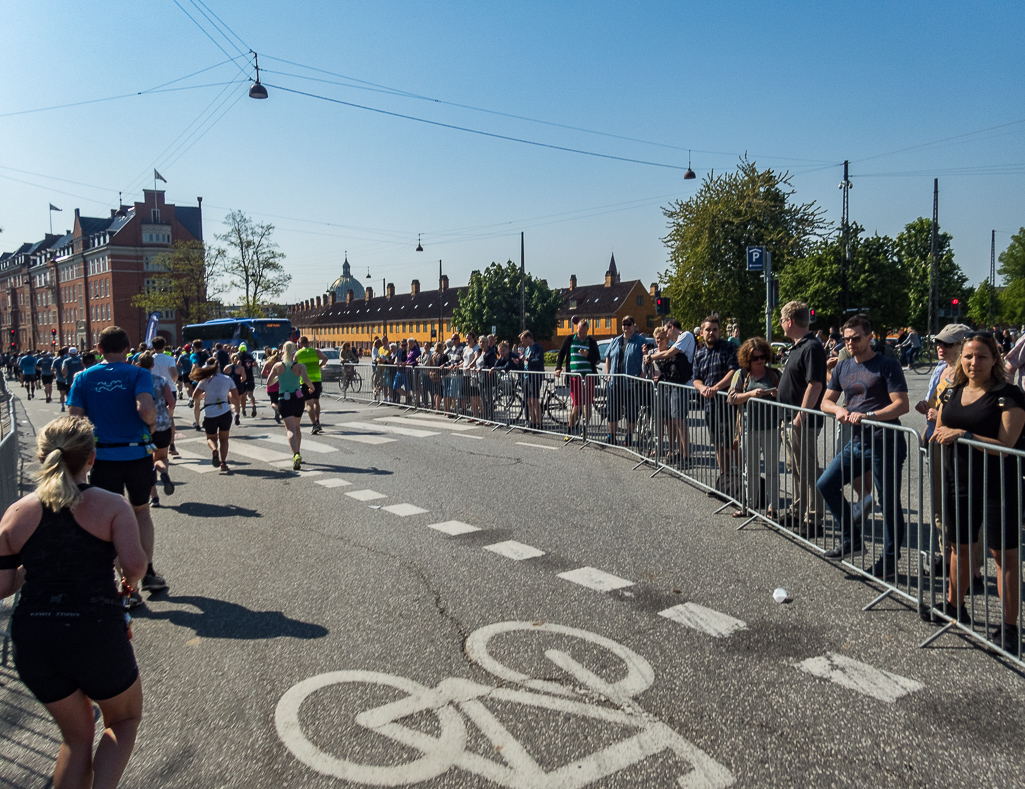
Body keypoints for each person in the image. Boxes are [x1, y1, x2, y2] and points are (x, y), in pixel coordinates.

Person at [0, 415, 147, 789]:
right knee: (123, 721)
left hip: (33, 637)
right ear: (92, 459)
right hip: (94, 630)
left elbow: (3, 585)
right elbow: (134, 566)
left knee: (76, 737)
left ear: (41, 457)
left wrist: (28, 573)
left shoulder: (16, 514)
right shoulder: (112, 506)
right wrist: (128, 578)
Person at [932, 331, 1024, 650]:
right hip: (959, 480)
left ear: (995, 359)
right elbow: (942, 426)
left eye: (982, 356)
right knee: (961, 547)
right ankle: (955, 607)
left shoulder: (1008, 395)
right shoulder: (954, 391)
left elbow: (1007, 446)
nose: (974, 362)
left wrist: (965, 434)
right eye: (969, 356)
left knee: (1004, 556)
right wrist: (944, 432)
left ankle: (1009, 627)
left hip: (999, 484)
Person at [67, 326, 164, 603]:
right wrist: (153, 424)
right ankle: (147, 573)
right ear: (128, 347)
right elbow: (145, 409)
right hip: (136, 454)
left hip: (101, 457)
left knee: (109, 520)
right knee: (141, 512)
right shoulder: (138, 373)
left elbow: (75, 419)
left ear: (99, 349)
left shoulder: (83, 377)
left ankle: (127, 587)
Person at [817, 314, 910, 580]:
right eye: (847, 339)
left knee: (889, 503)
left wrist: (871, 416)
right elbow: (826, 401)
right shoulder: (842, 367)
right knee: (826, 483)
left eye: (856, 338)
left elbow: (901, 405)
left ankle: (890, 561)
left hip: (885, 442)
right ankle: (852, 539)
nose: (851, 343)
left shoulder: (886, 365)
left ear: (869, 337)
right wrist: (838, 409)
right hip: (857, 441)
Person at [778, 301, 827, 537]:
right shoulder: (798, 346)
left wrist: (801, 414)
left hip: (801, 421)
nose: (780, 325)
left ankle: (814, 518)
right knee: (795, 468)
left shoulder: (812, 347)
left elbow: (815, 384)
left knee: (807, 469)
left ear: (790, 321)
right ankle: (798, 510)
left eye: (781, 320)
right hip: (789, 418)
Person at [727, 337, 780, 519]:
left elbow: (785, 399)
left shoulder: (774, 374)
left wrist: (776, 394)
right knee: (751, 468)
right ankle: (749, 505)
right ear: (747, 359)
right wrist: (750, 394)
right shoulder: (741, 374)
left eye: (762, 356)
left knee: (772, 469)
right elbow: (732, 398)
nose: (759, 361)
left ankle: (773, 507)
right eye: (755, 358)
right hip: (749, 428)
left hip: (771, 427)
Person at [692, 316, 739, 474]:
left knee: (730, 444)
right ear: (701, 332)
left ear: (719, 332)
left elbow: (734, 371)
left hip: (728, 403)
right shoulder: (699, 354)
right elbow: (696, 378)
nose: (711, 332)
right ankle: (724, 479)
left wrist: (715, 388)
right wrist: (703, 388)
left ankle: (737, 480)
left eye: (714, 329)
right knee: (718, 443)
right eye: (708, 329)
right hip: (709, 405)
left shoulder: (729, 347)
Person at [646, 318, 695, 465]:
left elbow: (669, 353)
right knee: (676, 419)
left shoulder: (686, 336)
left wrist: (650, 356)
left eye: (667, 331)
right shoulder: (681, 339)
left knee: (679, 420)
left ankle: (686, 456)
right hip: (675, 383)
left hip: (682, 383)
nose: (667, 335)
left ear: (671, 327)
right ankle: (681, 453)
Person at [136, 352, 177, 506]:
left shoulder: (137, 382)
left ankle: (154, 497)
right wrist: (166, 409)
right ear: (153, 365)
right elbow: (171, 402)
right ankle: (164, 472)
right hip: (163, 424)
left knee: (147, 462)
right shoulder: (161, 381)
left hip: (144, 425)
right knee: (162, 457)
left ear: (138, 365)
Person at [265, 341, 313, 470]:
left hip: (284, 399)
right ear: (294, 351)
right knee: (297, 427)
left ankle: (295, 454)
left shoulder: (278, 366)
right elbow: (306, 379)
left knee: (290, 429)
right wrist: (311, 387)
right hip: (297, 399)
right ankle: (298, 451)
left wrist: (278, 378)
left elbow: (269, 383)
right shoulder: (300, 366)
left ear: (283, 351)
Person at [604, 316, 647, 446]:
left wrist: (642, 375)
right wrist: (608, 374)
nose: (626, 327)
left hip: (631, 384)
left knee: (631, 411)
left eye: (628, 324)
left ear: (634, 325)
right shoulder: (616, 341)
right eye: (624, 324)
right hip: (614, 383)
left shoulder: (640, 341)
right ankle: (611, 435)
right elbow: (608, 357)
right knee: (612, 411)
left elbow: (646, 359)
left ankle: (629, 436)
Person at [555, 318, 600, 438]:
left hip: (588, 376)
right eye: (580, 332)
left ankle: (584, 429)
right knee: (577, 404)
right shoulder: (569, 339)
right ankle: (570, 429)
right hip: (575, 377)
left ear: (587, 331)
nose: (582, 335)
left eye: (584, 332)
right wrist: (558, 368)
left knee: (588, 403)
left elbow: (596, 359)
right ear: (577, 329)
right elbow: (561, 354)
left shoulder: (591, 341)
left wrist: (587, 355)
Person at [192, 358, 238, 473]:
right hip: (225, 411)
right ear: (219, 367)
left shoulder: (205, 380)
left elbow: (194, 396)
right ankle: (223, 463)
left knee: (211, 438)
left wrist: (205, 394)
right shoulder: (227, 379)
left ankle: (214, 450)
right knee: (224, 439)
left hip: (210, 413)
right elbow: (235, 396)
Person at [295, 336, 328, 434]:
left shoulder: (298, 354)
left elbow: (294, 366)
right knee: (316, 402)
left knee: (308, 403)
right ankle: (317, 421)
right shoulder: (316, 351)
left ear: (300, 344)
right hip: (316, 379)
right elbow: (325, 358)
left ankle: (313, 424)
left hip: (305, 380)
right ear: (308, 343)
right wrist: (320, 365)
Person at [519, 330, 546, 430]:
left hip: (534, 376)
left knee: (534, 400)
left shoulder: (537, 348)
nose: (522, 342)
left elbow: (539, 360)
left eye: (523, 340)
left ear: (529, 338)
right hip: (526, 376)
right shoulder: (527, 349)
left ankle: (539, 422)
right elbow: (525, 361)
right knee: (528, 401)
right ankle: (533, 422)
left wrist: (527, 359)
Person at [237, 342, 258, 417]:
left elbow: (238, 366)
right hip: (250, 377)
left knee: (243, 396)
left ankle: (243, 410)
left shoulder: (239, 357)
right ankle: (253, 405)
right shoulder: (250, 356)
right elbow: (255, 364)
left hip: (242, 378)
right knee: (250, 395)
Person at [262, 349, 282, 423]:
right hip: (280, 384)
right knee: (279, 400)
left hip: (271, 384)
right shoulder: (280, 363)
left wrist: (268, 371)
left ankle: (276, 410)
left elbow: (263, 373)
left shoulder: (268, 363)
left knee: (273, 402)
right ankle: (279, 410)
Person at [53, 346, 69, 411]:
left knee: (61, 393)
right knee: (68, 394)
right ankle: (68, 405)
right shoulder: (68, 359)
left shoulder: (56, 360)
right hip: (68, 379)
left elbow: (52, 369)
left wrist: (55, 372)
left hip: (59, 379)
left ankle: (62, 406)